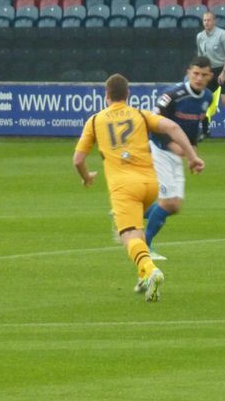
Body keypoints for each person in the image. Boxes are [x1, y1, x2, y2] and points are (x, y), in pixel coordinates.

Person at [73, 74, 205, 302]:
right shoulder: (140, 115)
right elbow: (172, 126)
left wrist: (87, 177)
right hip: (151, 185)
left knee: (128, 236)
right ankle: (144, 276)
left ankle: (151, 270)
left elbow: (78, 160)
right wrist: (192, 156)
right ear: (128, 95)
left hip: (124, 187)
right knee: (138, 226)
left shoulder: (95, 121)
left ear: (106, 96)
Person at [143, 56, 214, 259]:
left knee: (175, 206)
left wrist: (193, 151)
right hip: (159, 150)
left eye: (203, 75)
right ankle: (144, 247)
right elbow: (153, 123)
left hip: (178, 154)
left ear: (210, 76)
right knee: (168, 203)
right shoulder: (172, 95)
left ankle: (129, 213)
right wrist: (169, 143)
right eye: (195, 74)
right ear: (188, 72)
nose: (199, 78)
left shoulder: (207, 97)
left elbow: (193, 127)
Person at [196, 11, 225, 142]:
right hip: (208, 70)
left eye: (209, 20)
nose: (206, 23)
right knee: (204, 100)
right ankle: (205, 131)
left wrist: (224, 72)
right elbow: (201, 56)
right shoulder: (200, 36)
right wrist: (200, 72)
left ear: (214, 21)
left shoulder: (222, 35)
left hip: (222, 68)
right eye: (204, 20)